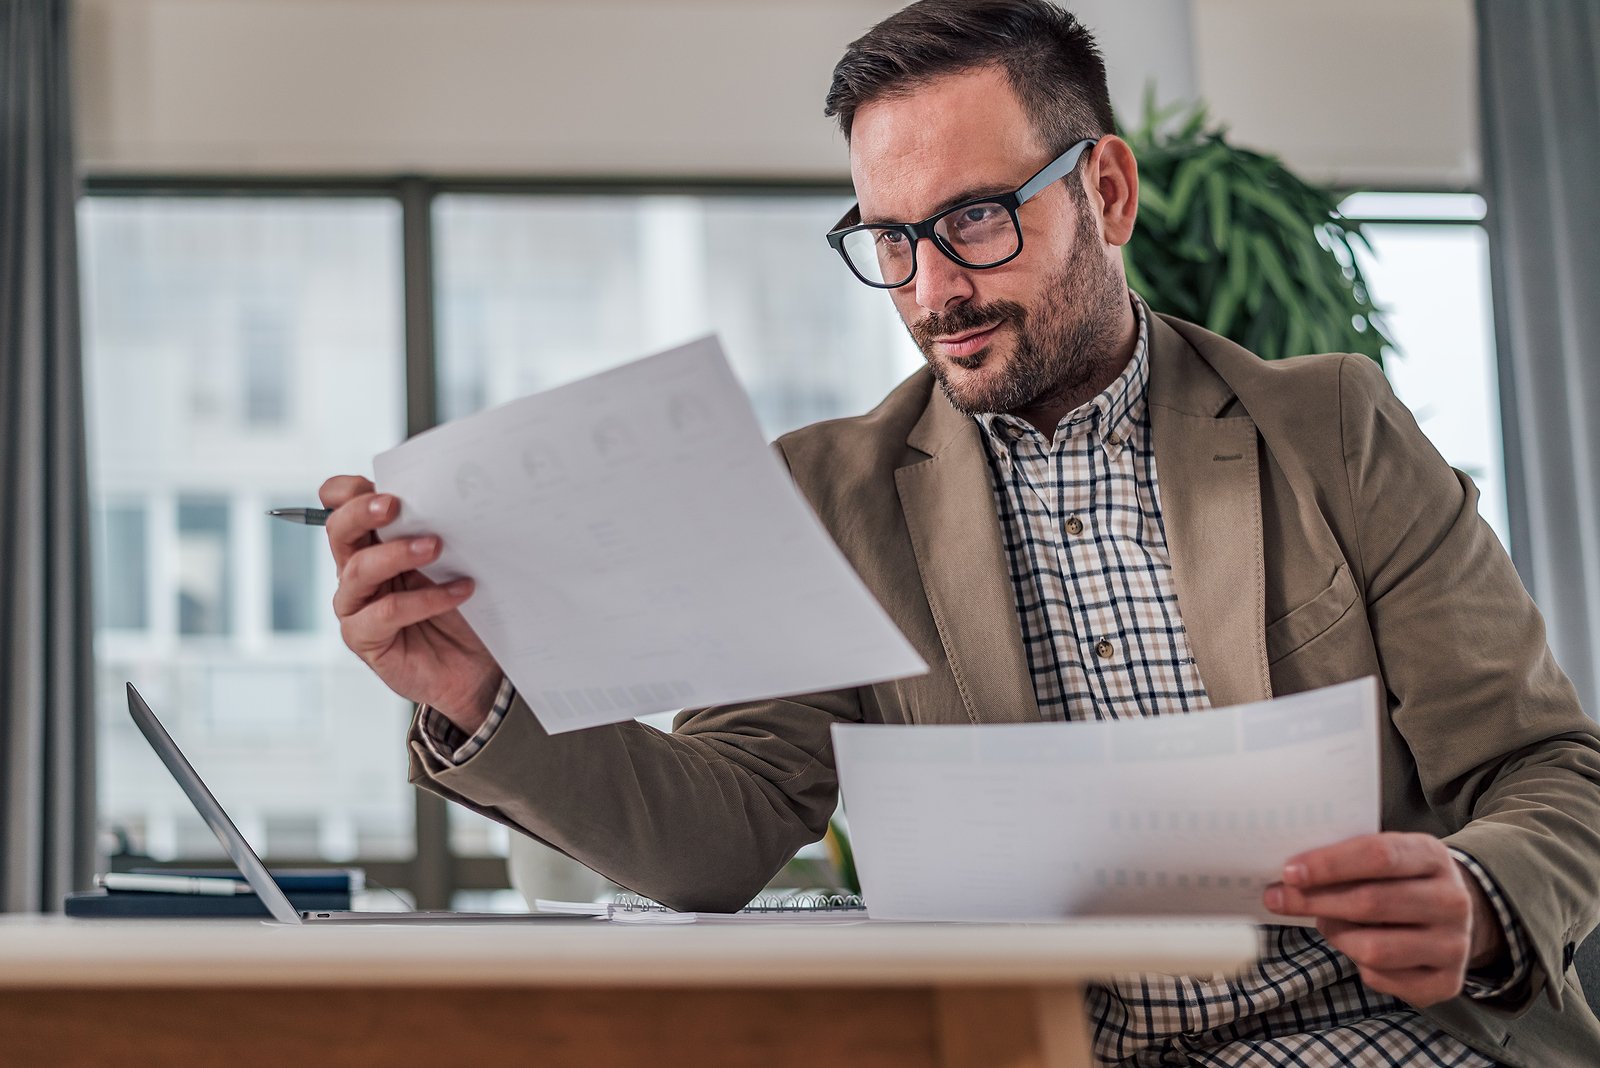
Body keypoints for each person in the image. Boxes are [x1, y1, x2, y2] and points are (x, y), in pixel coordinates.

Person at [317, 1, 1600, 1063]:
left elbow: (1548, 769)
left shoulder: (1329, 429)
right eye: (890, 238)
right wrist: (480, 693)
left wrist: (1478, 897)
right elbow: (719, 837)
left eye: (975, 220)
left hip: (1364, 1034)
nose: (933, 290)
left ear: (1102, 190)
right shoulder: (833, 494)